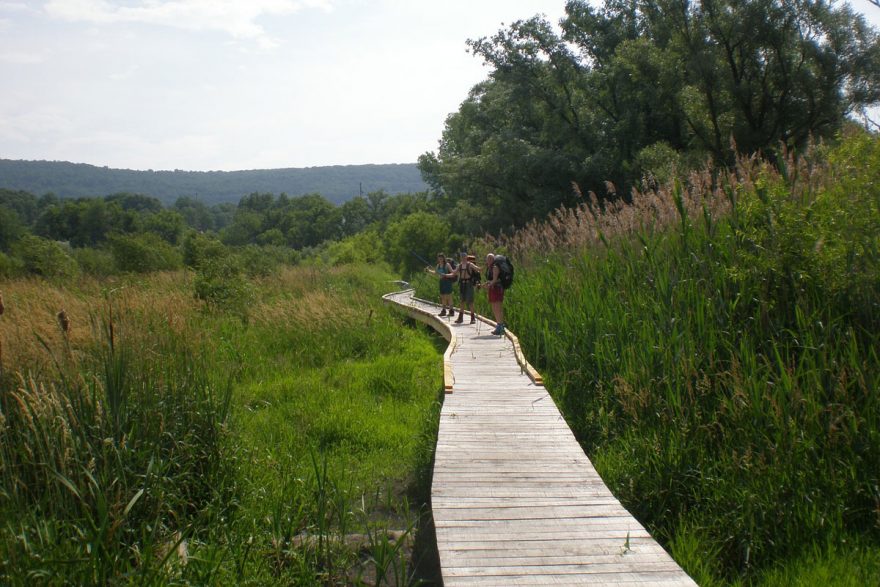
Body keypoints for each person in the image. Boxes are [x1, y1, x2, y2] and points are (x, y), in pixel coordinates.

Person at [454, 252, 480, 324]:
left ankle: (473, 318)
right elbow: (454, 273)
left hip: (469, 284)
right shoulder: (459, 266)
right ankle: (460, 318)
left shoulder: (470, 264)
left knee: (470, 302)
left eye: (464, 257)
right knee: (462, 301)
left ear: (466, 257)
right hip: (462, 284)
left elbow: (478, 269)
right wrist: (444, 274)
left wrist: (485, 266)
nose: (463, 258)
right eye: (461, 257)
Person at [484, 253, 506, 335]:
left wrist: (489, 285)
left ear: (494, 259)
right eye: (488, 259)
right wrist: (486, 284)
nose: (489, 260)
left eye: (491, 259)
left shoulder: (495, 267)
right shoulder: (489, 268)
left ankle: (501, 327)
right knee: (494, 307)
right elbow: (491, 280)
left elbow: (495, 280)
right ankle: (499, 325)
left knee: (497, 307)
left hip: (497, 289)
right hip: (493, 288)